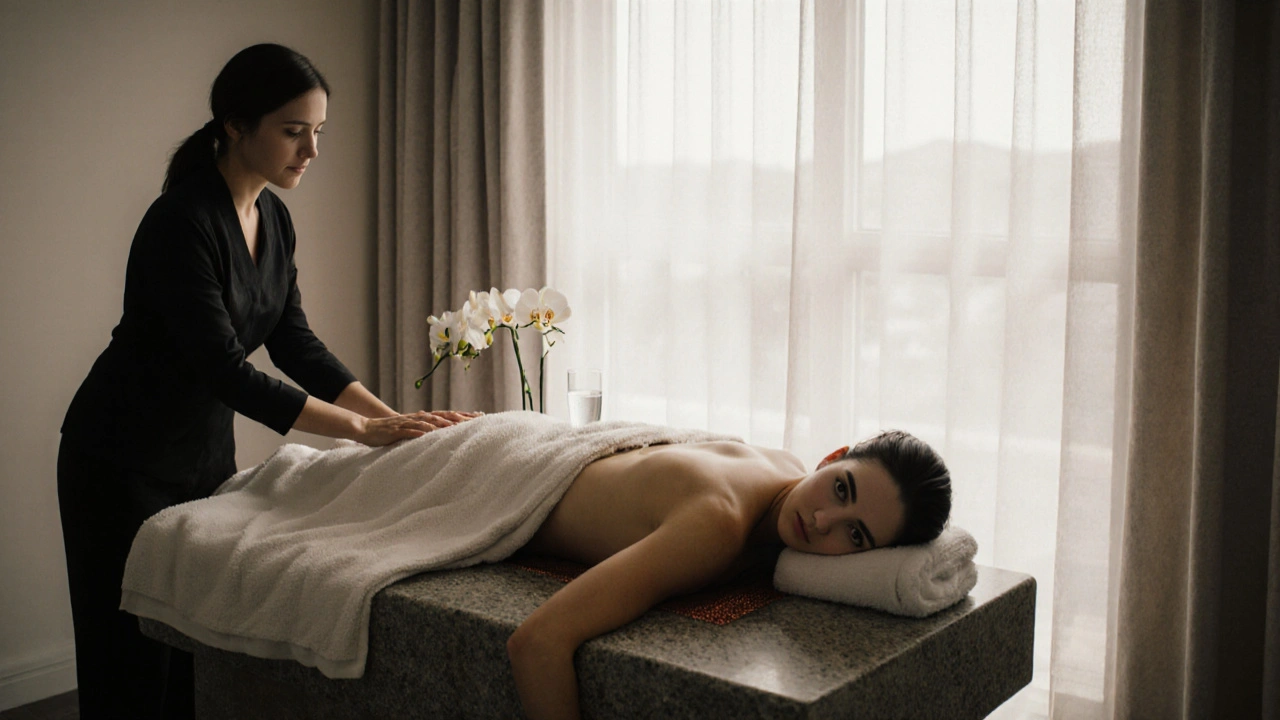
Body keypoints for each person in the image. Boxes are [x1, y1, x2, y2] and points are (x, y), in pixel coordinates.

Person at [56, 44, 466, 720]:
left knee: (194, 656)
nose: (310, 151)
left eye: (318, 132)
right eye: (293, 131)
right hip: (119, 460)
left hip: (201, 459)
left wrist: (394, 422)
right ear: (234, 125)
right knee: (129, 665)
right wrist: (361, 431)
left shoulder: (273, 218)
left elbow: (295, 344)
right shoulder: (181, 221)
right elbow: (226, 368)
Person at [508, 428, 951, 719]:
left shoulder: (784, 469)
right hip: (510, 476)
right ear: (832, 457)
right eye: (840, 488)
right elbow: (537, 643)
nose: (821, 521)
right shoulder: (715, 527)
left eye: (854, 535)